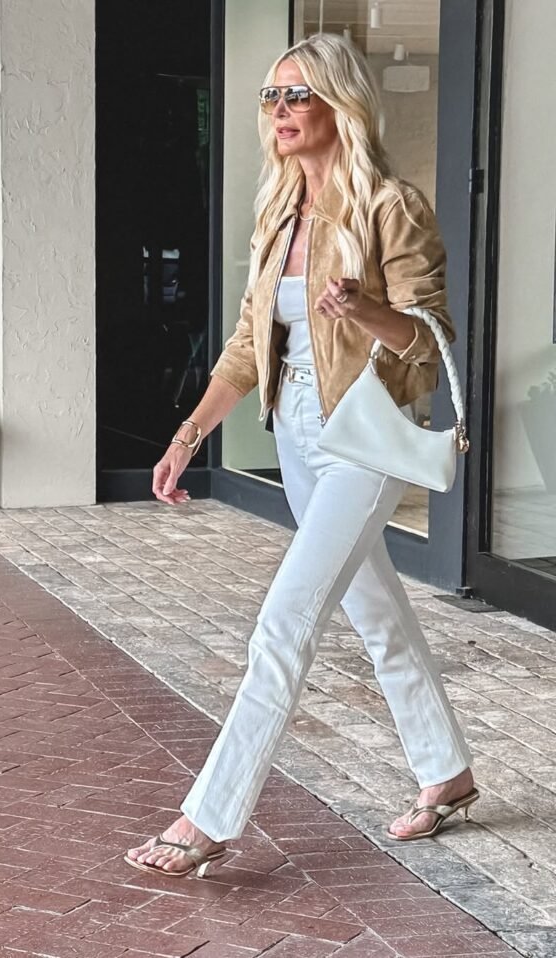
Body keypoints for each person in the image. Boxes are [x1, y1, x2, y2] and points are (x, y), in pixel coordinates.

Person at [124, 33, 478, 880]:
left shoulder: (390, 206)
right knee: (374, 610)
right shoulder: (279, 211)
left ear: (339, 103)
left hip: (364, 435)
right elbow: (250, 344)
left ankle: (209, 815)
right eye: (270, 96)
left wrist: (362, 309)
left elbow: (429, 342)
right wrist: (187, 436)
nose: (278, 111)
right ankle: (447, 771)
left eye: (296, 95)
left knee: (284, 624)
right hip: (298, 436)